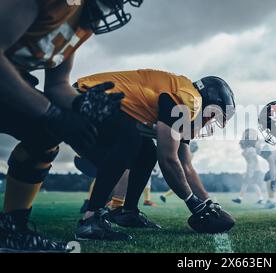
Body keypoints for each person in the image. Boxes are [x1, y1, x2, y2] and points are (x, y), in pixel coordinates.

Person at [0, 0, 142, 252]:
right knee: (47, 121)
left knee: (44, 134)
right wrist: (50, 112)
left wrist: (81, 104)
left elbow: (57, 85)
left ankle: (12, 230)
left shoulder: (83, 15)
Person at [72, 69, 236, 240]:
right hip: (84, 97)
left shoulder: (185, 100)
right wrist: (193, 203)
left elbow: (186, 165)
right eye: (211, 116)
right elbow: (168, 159)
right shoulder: (190, 100)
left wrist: (209, 203)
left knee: (147, 152)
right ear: (207, 101)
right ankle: (91, 220)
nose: (208, 122)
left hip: (93, 98)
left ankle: (127, 213)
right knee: (130, 140)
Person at [232, 129, 266, 206]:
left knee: (247, 183)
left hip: (254, 170)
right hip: (253, 170)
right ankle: (260, 199)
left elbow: (253, 163)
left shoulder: (250, 150)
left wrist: (250, 172)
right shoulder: (248, 150)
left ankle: (240, 199)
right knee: (250, 184)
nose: (240, 145)